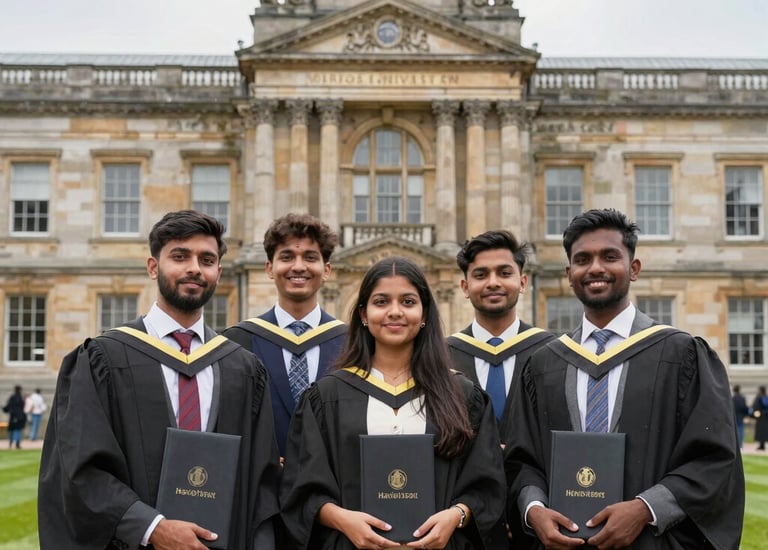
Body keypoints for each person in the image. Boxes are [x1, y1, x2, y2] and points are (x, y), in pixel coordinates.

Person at [38, 210, 281, 550]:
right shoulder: (103, 359)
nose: (194, 268)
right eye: (180, 256)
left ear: (218, 273)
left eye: (206, 259)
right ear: (153, 267)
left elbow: (262, 485)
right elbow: (78, 468)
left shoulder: (243, 368)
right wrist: (152, 527)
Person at [505, 209, 744, 549]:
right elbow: (521, 459)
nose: (596, 268)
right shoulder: (543, 364)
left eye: (610, 256)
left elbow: (715, 457)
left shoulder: (680, 354)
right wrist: (534, 508)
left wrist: (646, 509)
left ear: (634, 269)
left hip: (652, 541)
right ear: (569, 273)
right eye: (583, 259)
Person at [280, 256, 507, 549]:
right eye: (382, 302)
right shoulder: (327, 397)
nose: (395, 312)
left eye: (409, 302)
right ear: (363, 313)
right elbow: (300, 487)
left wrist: (457, 516)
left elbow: (487, 484)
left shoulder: (461, 396)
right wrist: (342, 519)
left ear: (425, 313)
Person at [449, 230, 555, 550]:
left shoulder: (553, 355)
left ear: (522, 282)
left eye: (504, 273)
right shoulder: (440, 358)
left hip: (542, 518)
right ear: (466, 287)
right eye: (481, 275)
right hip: (463, 523)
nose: (493, 282)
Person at [222, 212, 345, 457]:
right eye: (287, 257)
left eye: (310, 257)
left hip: (333, 490)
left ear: (327, 269)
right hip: (260, 488)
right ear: (269, 268)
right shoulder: (238, 342)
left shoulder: (352, 343)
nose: (298, 266)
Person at [3, 385, 26, 449]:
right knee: (18, 430)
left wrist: (5, 409)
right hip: (20, 416)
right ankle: (17, 444)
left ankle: (10, 443)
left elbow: (8, 406)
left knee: (12, 430)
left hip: (13, 416)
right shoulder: (21, 398)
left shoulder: (13, 397)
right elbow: (23, 406)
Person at [732, 385, 750, 449]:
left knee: (734, 430)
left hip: (734, 415)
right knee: (740, 430)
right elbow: (744, 407)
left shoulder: (732, 398)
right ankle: (740, 444)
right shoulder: (742, 398)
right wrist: (747, 415)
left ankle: (736, 444)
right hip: (740, 415)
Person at [752, 385, 768, 451]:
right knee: (764, 431)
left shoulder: (759, 397)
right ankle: (762, 444)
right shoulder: (766, 397)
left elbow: (755, 406)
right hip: (766, 416)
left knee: (761, 431)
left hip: (760, 416)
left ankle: (762, 445)